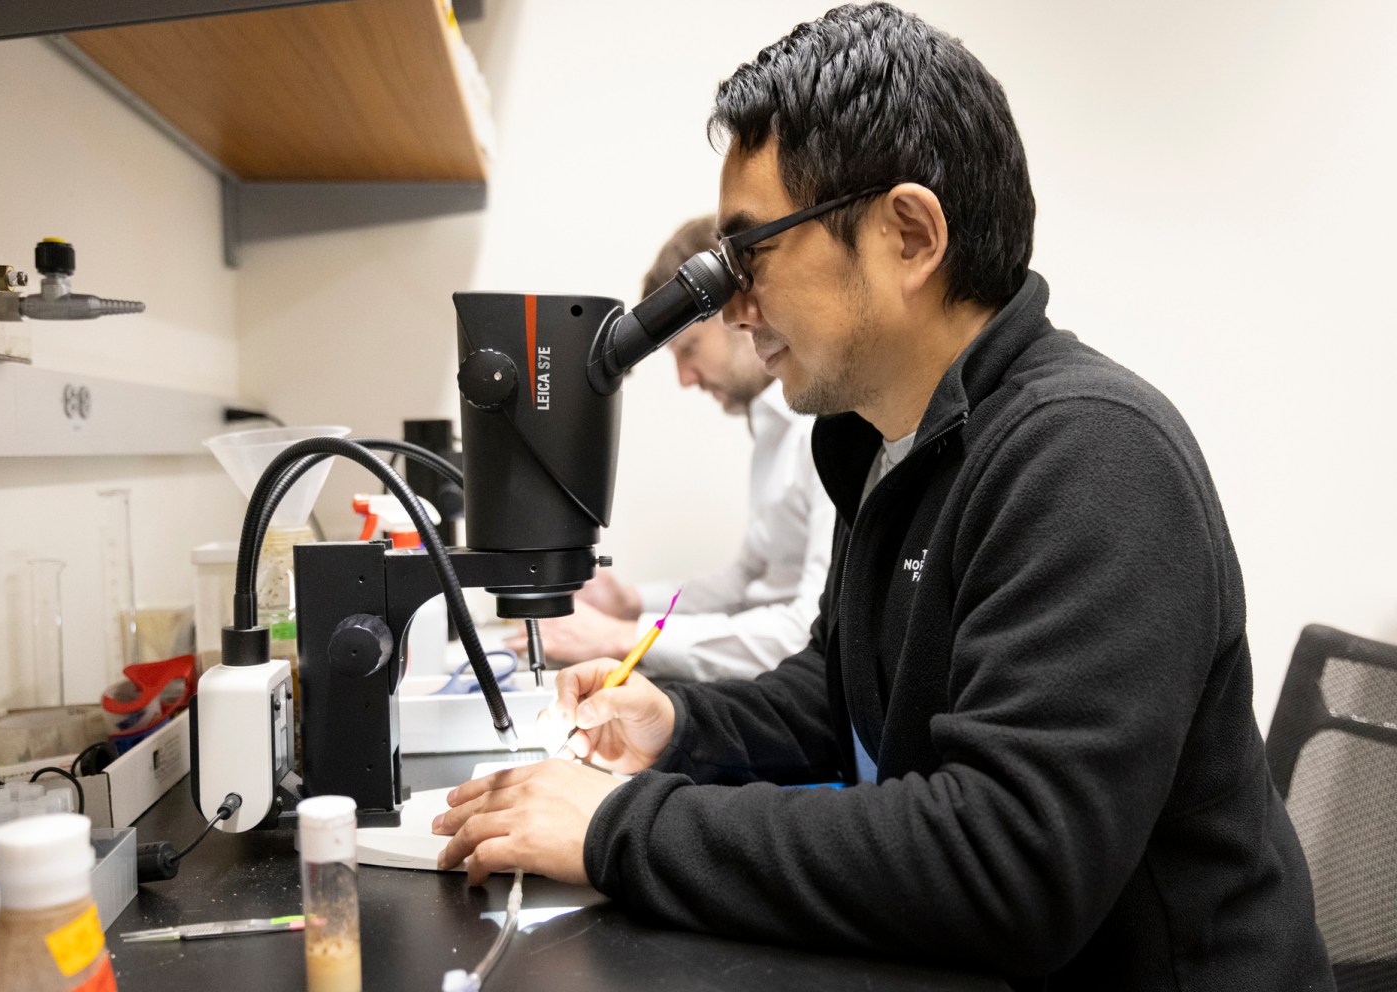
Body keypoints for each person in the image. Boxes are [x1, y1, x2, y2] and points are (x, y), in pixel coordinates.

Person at [433, 6, 1334, 989]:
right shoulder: (882, 447)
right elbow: (839, 698)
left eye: (752, 254)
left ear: (908, 236)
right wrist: (680, 727)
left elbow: (1011, 865)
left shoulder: (1094, 456)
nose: (735, 307)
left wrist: (618, 826)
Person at [505, 217, 835, 681]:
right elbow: (746, 581)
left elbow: (811, 628)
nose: (684, 378)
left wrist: (625, 636)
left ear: (740, 314)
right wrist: (632, 603)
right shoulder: (772, 428)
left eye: (689, 348)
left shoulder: (822, 431)